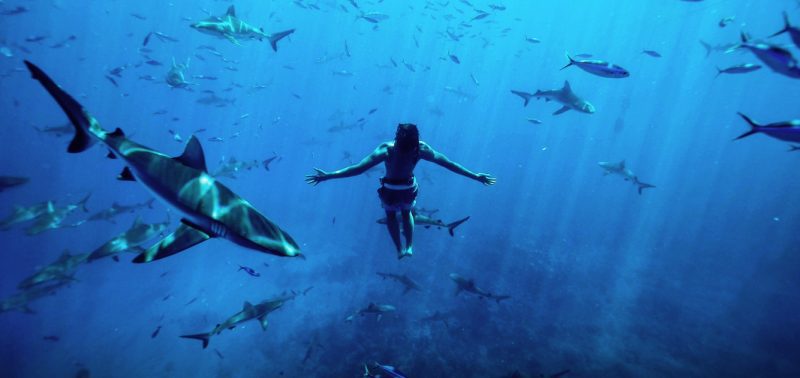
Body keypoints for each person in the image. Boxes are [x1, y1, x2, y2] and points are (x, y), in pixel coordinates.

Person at [305, 123, 496, 259]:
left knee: (390, 217)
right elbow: (449, 164)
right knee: (406, 213)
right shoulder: (420, 149)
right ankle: (409, 246)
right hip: (407, 187)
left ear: (397, 138)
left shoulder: (387, 149)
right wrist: (475, 176)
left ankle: (399, 249)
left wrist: (329, 175)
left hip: (391, 189)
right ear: (416, 139)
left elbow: (358, 168)